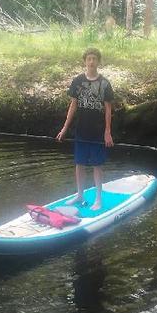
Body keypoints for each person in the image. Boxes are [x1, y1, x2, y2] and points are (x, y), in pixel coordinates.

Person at [56, 48, 114, 210]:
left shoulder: (105, 83)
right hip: (81, 129)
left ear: (98, 61)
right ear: (85, 61)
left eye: (94, 58)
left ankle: (98, 199)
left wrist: (107, 131)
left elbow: (108, 109)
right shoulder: (77, 81)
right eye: (89, 59)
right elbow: (73, 105)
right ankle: (80, 194)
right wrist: (65, 127)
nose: (91, 61)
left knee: (97, 165)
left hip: (97, 130)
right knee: (79, 163)